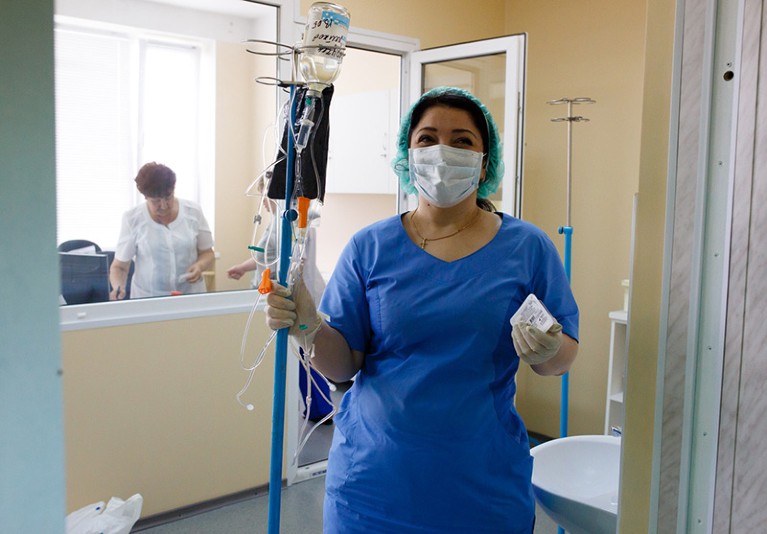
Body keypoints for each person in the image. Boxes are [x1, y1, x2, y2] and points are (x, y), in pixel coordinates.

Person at [265, 86, 579, 533]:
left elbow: (562, 359)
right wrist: (307, 323)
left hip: (481, 488)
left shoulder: (526, 247)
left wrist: (548, 350)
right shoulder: (370, 247)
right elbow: (342, 365)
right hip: (372, 488)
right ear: (407, 155)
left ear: (485, 162)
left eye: (462, 140)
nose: (442, 151)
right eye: (427, 138)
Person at [110, 162, 215, 299]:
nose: (164, 206)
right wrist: (119, 287)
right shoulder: (133, 219)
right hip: (149, 298)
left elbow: (207, 253)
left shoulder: (193, 212)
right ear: (145, 197)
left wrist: (200, 266)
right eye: (156, 201)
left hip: (191, 295)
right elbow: (120, 267)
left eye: (168, 197)